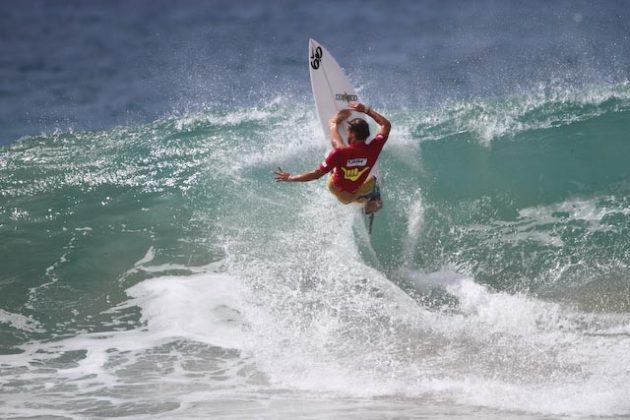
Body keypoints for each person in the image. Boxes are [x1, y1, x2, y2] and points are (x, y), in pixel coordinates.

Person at [274, 101, 391, 214]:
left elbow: (316, 174)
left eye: (348, 132)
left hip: (338, 190)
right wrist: (366, 110)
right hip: (354, 191)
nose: (347, 134)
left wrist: (291, 177)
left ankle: (333, 128)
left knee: (337, 147)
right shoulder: (374, 148)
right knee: (373, 182)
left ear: (353, 134)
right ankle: (369, 205)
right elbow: (385, 125)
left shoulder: (339, 152)